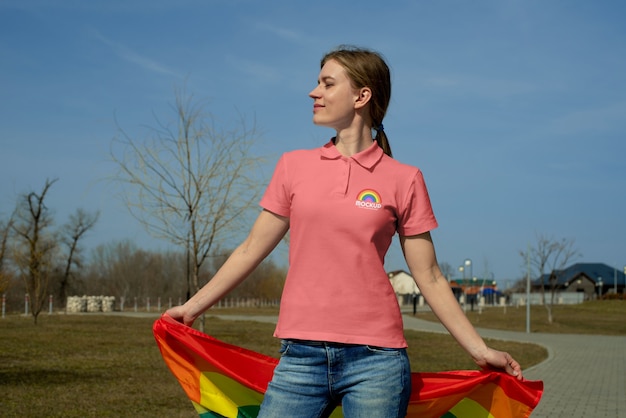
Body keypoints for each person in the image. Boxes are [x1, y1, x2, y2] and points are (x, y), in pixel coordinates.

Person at [166, 45, 522, 418]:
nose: (313, 92)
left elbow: (429, 276)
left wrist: (480, 351)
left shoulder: (405, 179)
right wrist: (191, 309)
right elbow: (250, 249)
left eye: (326, 83)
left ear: (361, 96)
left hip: (377, 363)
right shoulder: (293, 166)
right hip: (299, 357)